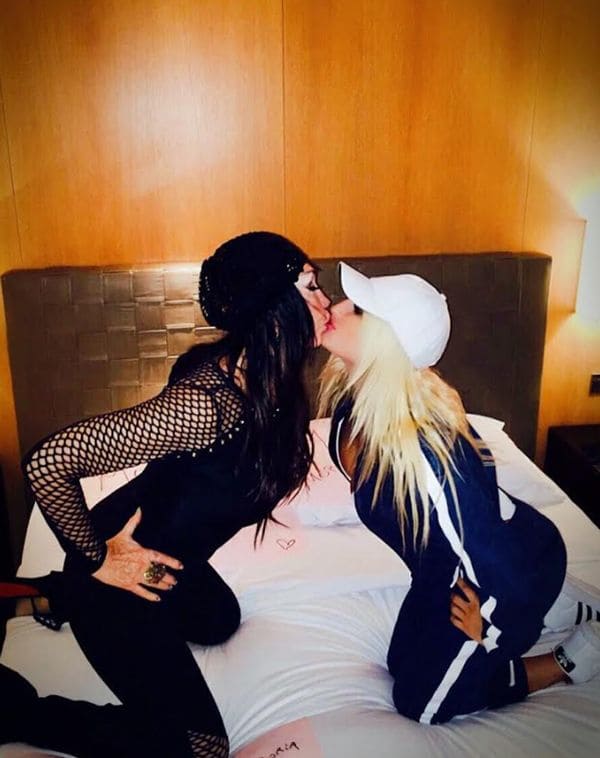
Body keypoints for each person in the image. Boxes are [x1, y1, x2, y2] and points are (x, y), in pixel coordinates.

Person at [0, 231, 331, 757]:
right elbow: (48, 462)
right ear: (271, 308)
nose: (326, 301)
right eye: (311, 287)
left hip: (167, 559)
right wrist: (98, 560)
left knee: (219, 621)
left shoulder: (271, 378)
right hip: (115, 568)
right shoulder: (206, 405)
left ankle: (52, 595)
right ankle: (20, 708)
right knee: (201, 748)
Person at [318, 261, 600, 725]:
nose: (338, 305)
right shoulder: (356, 405)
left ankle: (568, 660)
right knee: (401, 664)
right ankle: (556, 605)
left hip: (509, 573)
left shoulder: (423, 456)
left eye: (360, 309)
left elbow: (487, 551)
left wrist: (491, 632)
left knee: (421, 703)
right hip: (448, 567)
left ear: (389, 345)